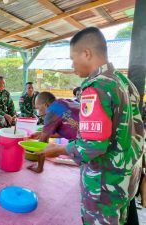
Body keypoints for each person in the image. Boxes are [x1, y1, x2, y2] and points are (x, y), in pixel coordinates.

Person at [36, 27, 144, 225]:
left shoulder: (96, 87)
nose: (72, 64)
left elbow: (92, 146)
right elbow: (138, 131)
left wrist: (60, 148)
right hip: (126, 179)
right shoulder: (125, 82)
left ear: (87, 53)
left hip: (103, 186)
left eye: (72, 57)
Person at [28, 91, 80, 173]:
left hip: (90, 143)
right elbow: (70, 128)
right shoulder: (64, 102)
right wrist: (42, 134)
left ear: (46, 104)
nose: (38, 112)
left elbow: (42, 143)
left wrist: (39, 168)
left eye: (38, 108)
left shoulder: (51, 113)